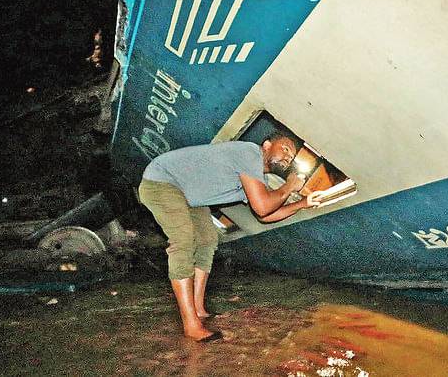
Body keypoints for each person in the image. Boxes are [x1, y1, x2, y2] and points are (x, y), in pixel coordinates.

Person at [137, 133, 324, 342]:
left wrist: (304, 203)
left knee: (207, 240)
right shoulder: (249, 153)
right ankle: (191, 324)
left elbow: (266, 215)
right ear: (267, 145)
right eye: (286, 149)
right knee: (183, 239)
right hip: (162, 181)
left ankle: (198, 309)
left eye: (291, 157)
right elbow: (262, 206)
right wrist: (289, 185)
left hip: (188, 197)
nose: (288, 157)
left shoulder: (255, 178)